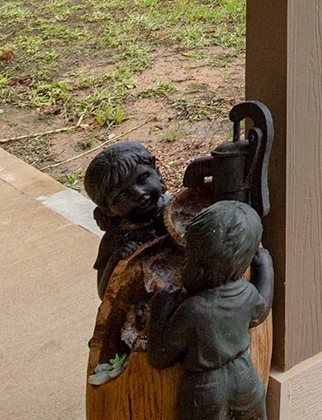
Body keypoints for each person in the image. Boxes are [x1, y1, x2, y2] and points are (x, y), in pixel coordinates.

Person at [146, 200, 275, 420]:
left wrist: (159, 311)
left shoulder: (192, 310)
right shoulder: (246, 294)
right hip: (245, 379)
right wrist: (266, 268)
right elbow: (262, 309)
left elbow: (160, 356)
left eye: (188, 259)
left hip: (205, 390)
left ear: (200, 268)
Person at [83, 141, 168, 298]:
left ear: (157, 171)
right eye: (122, 196)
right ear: (108, 210)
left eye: (142, 179)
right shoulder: (117, 239)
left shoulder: (177, 211)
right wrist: (115, 262)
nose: (138, 194)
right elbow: (104, 294)